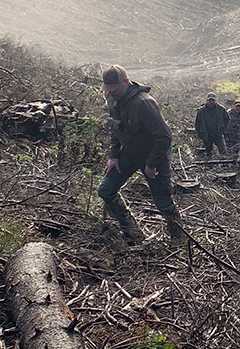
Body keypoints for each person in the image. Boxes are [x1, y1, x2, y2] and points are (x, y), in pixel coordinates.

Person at [96, 65, 183, 245]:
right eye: (108, 89)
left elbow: (164, 136)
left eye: (115, 88)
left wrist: (151, 164)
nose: (111, 93)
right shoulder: (113, 100)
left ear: (126, 82)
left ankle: (179, 242)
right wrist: (113, 156)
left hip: (153, 156)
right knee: (105, 190)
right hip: (129, 153)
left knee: (164, 203)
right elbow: (115, 128)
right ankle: (132, 233)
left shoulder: (143, 103)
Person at [194, 92, 229, 158]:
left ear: (215, 101)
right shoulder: (201, 111)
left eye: (213, 100)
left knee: (223, 151)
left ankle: (225, 165)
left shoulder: (221, 109)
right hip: (207, 136)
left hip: (218, 135)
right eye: (210, 100)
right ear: (207, 100)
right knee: (208, 153)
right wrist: (200, 135)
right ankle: (210, 166)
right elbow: (197, 124)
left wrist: (223, 130)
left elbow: (227, 119)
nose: (211, 102)